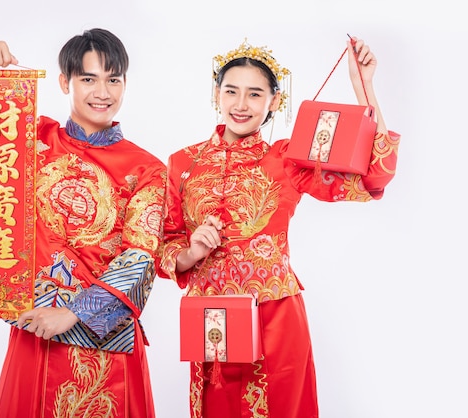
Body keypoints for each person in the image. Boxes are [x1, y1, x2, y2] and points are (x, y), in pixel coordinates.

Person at [0, 28, 165, 418]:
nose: (102, 92)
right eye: (88, 79)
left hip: (104, 340)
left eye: (113, 79)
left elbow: (140, 258)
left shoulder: (147, 168)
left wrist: (71, 313)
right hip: (35, 325)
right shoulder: (28, 138)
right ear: (64, 82)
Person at [157, 35, 400, 418]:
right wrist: (191, 253)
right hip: (211, 320)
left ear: (274, 101)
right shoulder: (181, 163)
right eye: (231, 91)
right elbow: (166, 244)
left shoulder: (287, 157)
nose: (241, 104)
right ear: (216, 94)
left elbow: (374, 175)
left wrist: (363, 86)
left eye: (255, 94)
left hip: (276, 317)